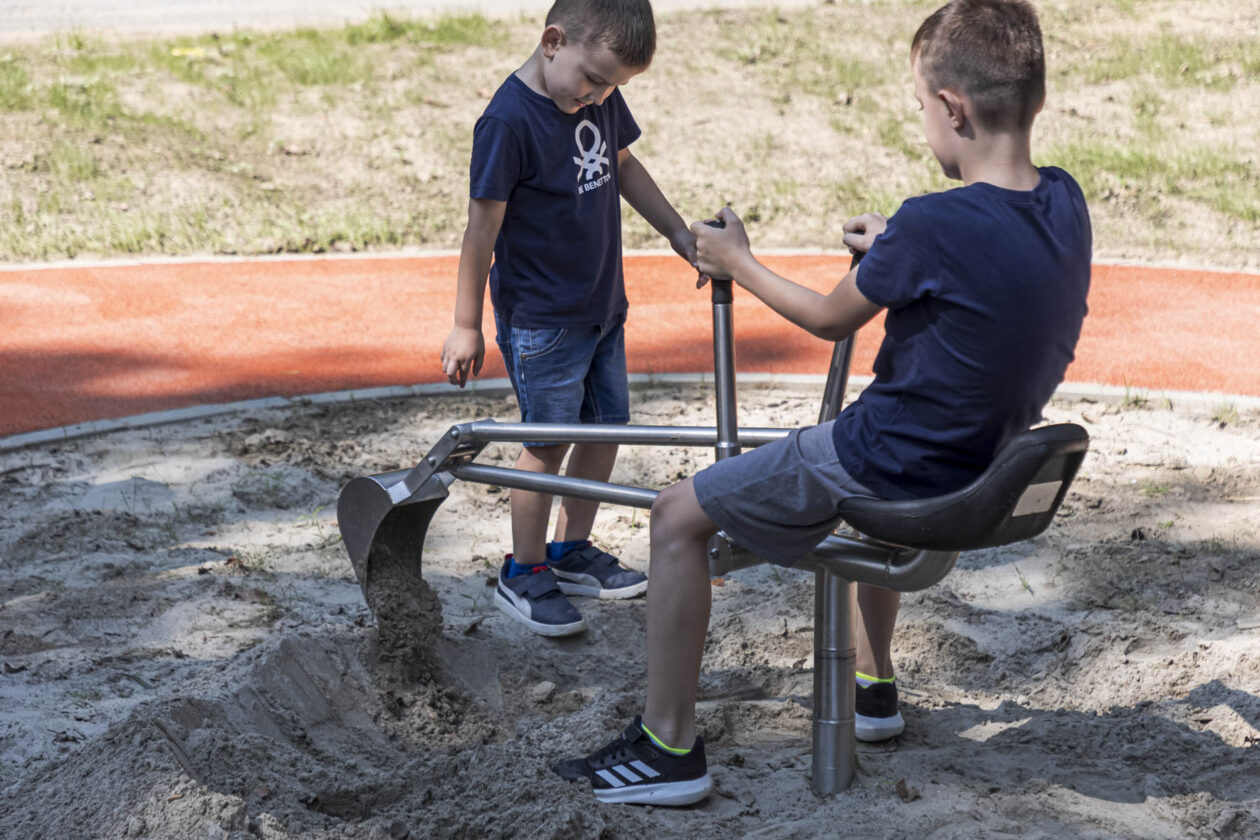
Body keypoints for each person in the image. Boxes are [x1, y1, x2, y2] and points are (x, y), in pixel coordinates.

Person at [552, 0, 1091, 805]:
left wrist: (739, 258)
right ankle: (872, 685)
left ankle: (667, 747)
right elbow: (987, 267)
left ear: (954, 107)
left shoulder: (933, 223)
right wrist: (897, 250)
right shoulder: (1065, 202)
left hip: (883, 463)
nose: (924, 125)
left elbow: (827, 317)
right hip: (978, 467)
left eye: (921, 108)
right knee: (860, 479)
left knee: (675, 517)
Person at [440, 0, 697, 638]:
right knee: (547, 443)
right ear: (552, 41)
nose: (601, 95)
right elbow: (481, 231)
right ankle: (523, 569)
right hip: (543, 319)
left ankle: (570, 549)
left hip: (602, 304)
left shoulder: (596, 99)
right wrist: (466, 323)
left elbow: (624, 166)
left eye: (614, 86)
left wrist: (675, 232)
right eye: (594, 79)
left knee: (607, 430)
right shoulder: (507, 122)